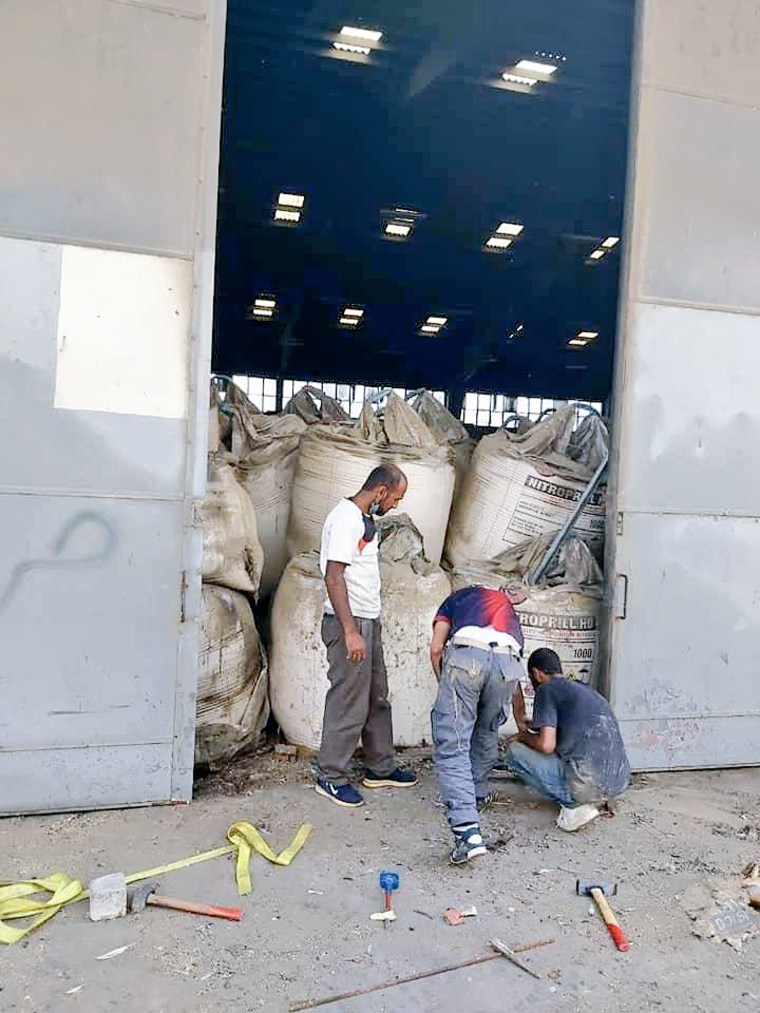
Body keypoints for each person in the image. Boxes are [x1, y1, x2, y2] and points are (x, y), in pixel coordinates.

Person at [314, 464, 418, 808]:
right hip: (351, 624)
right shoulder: (345, 519)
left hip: (367, 621)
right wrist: (350, 632)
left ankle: (380, 767)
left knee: (377, 695)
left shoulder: (362, 520)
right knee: (349, 701)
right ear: (380, 491)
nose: (395, 506)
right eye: (395, 499)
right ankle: (330, 776)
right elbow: (333, 577)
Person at [429, 585, 526, 864]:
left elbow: (437, 648)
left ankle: (467, 834)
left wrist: (444, 683)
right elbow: (514, 674)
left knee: (453, 745)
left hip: (467, 658)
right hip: (508, 662)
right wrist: (521, 719)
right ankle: (477, 794)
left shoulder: (454, 600)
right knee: (487, 730)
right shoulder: (506, 609)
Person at [503, 648, 630, 832]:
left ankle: (574, 806)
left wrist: (522, 736)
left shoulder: (547, 689)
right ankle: (598, 800)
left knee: (514, 751)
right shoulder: (587, 691)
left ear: (536, 674)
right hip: (618, 782)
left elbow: (547, 745)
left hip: (587, 785)